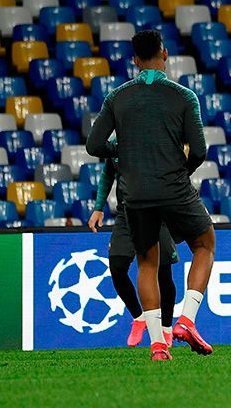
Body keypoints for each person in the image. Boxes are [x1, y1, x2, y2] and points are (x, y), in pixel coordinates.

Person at [85, 29, 213, 362]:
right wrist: (181, 171)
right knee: (204, 245)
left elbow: (94, 145)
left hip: (135, 194)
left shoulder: (117, 97)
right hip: (173, 186)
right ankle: (186, 320)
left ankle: (158, 346)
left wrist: (121, 149)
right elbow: (198, 149)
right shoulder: (184, 97)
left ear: (135, 61)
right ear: (165, 54)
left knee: (146, 263)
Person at [88, 148, 178, 349]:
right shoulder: (116, 142)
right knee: (117, 268)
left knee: (164, 273)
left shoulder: (155, 135)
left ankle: (166, 328)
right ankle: (139, 318)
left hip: (158, 211)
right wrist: (98, 207)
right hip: (126, 213)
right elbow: (107, 174)